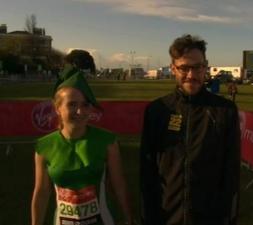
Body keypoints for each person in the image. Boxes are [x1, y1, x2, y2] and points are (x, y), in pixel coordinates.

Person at [140, 34, 241, 225]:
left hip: (210, 218)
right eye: (184, 68)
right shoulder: (157, 111)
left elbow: (232, 174)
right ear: (173, 68)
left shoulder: (225, 111)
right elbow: (147, 172)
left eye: (197, 67)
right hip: (165, 217)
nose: (191, 75)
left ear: (205, 66)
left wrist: (229, 218)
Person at [31, 50, 133, 225]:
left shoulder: (107, 141)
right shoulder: (43, 147)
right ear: (57, 108)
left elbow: (119, 186)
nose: (80, 111)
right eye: (72, 105)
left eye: (85, 105)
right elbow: (41, 193)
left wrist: (129, 219)